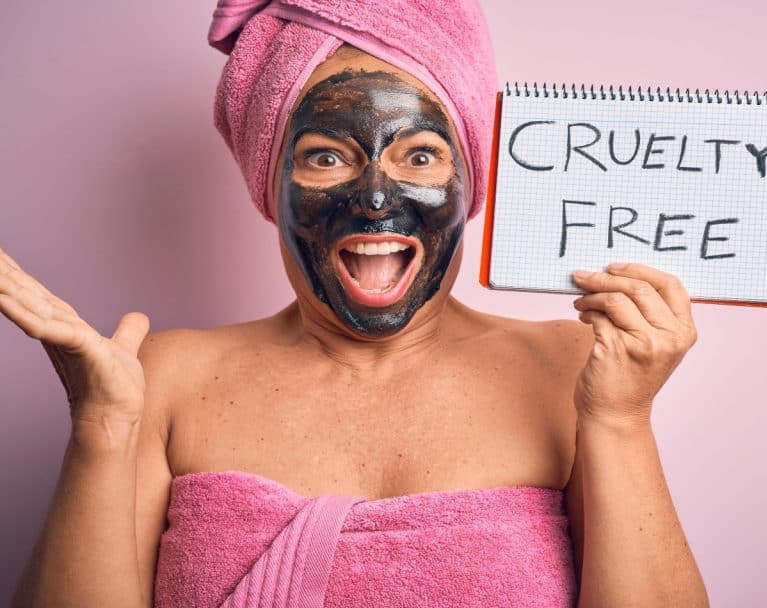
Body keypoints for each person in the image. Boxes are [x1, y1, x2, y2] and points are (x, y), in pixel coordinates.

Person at [7, 1, 708, 606]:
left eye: (422, 155)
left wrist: (620, 419)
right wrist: (100, 430)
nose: (375, 197)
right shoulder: (162, 377)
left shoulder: (572, 370)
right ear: (270, 185)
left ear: (470, 183)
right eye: (325, 156)